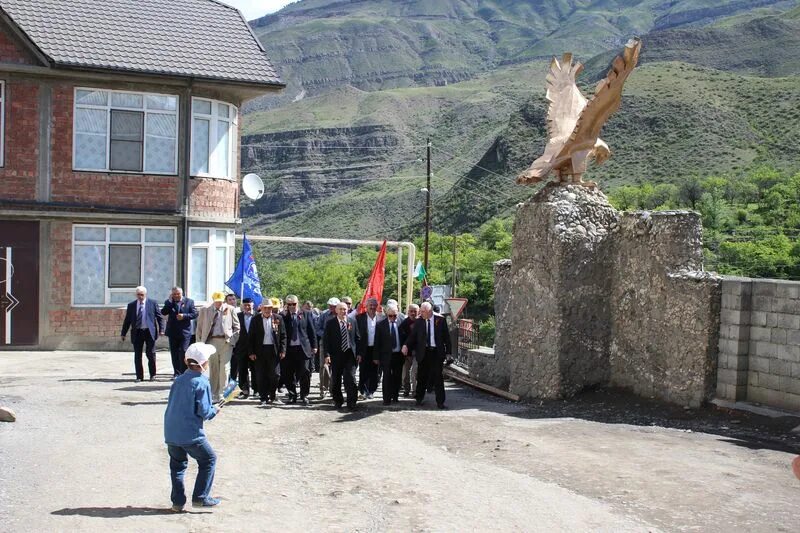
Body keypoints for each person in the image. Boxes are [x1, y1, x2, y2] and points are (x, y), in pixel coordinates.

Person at [164, 342, 221, 510]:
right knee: (209, 459)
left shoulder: (179, 380)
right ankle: (200, 497)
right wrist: (215, 410)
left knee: (178, 466)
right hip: (190, 434)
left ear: (185, 360)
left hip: (171, 432)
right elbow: (204, 412)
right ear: (204, 364)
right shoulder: (202, 382)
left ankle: (177, 502)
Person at [403, 302, 451, 408]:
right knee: (421, 377)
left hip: (436, 353)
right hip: (423, 352)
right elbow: (413, 336)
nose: (421, 313)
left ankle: (440, 402)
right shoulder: (419, 321)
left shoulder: (440, 320)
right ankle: (419, 399)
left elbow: (446, 337)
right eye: (420, 311)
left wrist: (448, 353)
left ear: (429, 311)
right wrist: (406, 345)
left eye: (423, 311)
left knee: (438, 377)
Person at [195, 292, 240, 402]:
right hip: (211, 341)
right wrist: (199, 343)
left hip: (225, 342)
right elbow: (199, 328)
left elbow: (237, 327)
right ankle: (213, 392)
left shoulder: (230, 309)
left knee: (224, 368)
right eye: (217, 301)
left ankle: (222, 393)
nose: (219, 303)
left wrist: (232, 341)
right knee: (214, 367)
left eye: (220, 301)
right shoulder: (205, 310)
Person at [121, 286, 164, 382]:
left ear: (145, 294)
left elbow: (159, 317)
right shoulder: (131, 305)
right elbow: (127, 320)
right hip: (137, 332)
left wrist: (161, 329)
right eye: (138, 295)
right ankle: (139, 376)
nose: (140, 297)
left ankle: (153, 375)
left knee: (151, 354)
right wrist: (123, 333)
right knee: (137, 355)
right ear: (136, 295)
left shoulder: (152, 303)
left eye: (142, 295)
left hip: (149, 332)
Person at [248, 300, 287, 404]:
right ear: (261, 308)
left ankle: (272, 394)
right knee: (261, 375)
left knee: (275, 374)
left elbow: (283, 335)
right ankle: (263, 397)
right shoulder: (255, 319)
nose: (267, 310)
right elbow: (250, 337)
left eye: (269, 308)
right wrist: (251, 352)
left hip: (274, 350)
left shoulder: (278, 318)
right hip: (259, 351)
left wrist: (283, 350)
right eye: (265, 308)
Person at [281, 294, 317, 406]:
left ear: (298, 303)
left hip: (303, 348)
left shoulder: (306, 314)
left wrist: (314, 346)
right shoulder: (283, 316)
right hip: (289, 349)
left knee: (305, 372)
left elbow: (312, 331)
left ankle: (304, 395)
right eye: (289, 304)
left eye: (294, 304)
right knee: (288, 373)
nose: (292, 306)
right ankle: (292, 395)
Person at [324, 302, 360, 410]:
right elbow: (326, 341)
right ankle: (338, 401)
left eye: (345, 309)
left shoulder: (352, 321)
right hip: (336, 355)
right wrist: (327, 355)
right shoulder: (330, 323)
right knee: (336, 379)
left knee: (351, 378)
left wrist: (359, 353)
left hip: (350, 354)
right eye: (340, 309)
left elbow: (357, 338)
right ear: (336, 310)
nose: (343, 311)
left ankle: (352, 402)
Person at [355, 297, 389, 399]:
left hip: (376, 349)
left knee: (375, 372)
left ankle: (371, 391)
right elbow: (357, 336)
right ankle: (363, 390)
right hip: (363, 349)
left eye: (374, 305)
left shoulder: (381, 318)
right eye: (370, 305)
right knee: (363, 370)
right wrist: (358, 353)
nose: (372, 307)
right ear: (366, 306)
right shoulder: (359, 318)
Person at [161, 287, 198, 379]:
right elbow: (164, 312)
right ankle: (176, 373)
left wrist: (184, 316)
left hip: (185, 332)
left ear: (182, 293)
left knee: (183, 352)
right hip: (172, 332)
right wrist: (169, 303)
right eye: (174, 294)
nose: (176, 296)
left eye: (178, 294)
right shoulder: (169, 302)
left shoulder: (189, 301)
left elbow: (194, 314)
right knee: (174, 353)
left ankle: (184, 372)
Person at [233, 298, 258, 399]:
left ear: (253, 305)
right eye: (245, 305)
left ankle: (257, 389)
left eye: (249, 305)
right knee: (242, 371)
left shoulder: (258, 316)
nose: (247, 307)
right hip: (241, 347)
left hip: (255, 348)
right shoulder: (237, 316)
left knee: (255, 370)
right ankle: (244, 390)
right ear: (242, 306)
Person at [316, 297, 339, 399]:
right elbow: (318, 328)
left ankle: (333, 389)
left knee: (336, 367)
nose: (332, 308)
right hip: (324, 343)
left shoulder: (342, 315)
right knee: (323, 366)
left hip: (338, 344)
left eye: (334, 306)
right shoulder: (324, 315)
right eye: (330, 306)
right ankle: (323, 389)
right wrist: (326, 336)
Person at [383, 303, 407, 404]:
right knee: (387, 377)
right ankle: (386, 398)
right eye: (390, 316)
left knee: (397, 377)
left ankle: (395, 396)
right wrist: (376, 357)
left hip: (398, 355)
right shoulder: (381, 325)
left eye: (395, 315)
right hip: (386, 355)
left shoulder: (402, 323)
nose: (392, 318)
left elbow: (406, 337)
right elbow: (378, 342)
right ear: (387, 314)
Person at [400, 304, 419, 397]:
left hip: (418, 352)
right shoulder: (404, 324)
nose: (413, 313)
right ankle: (406, 389)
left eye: (415, 311)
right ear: (408, 312)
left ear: (418, 312)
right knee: (405, 373)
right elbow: (400, 338)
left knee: (414, 371)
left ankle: (415, 391)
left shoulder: (421, 323)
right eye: (411, 311)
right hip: (407, 353)